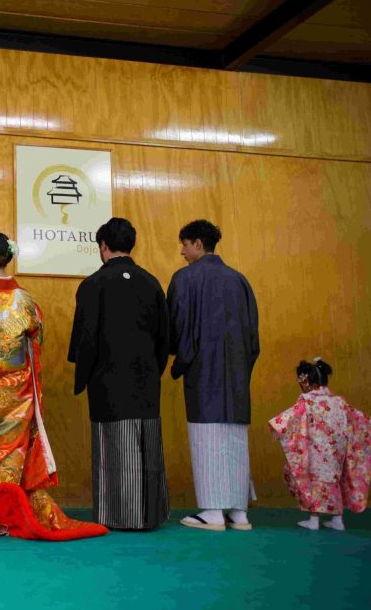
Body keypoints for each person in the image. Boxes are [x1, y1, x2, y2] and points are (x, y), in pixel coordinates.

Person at [0, 229, 107, 541]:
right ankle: (11, 511)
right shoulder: (25, 302)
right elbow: (36, 344)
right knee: (13, 454)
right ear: (9, 258)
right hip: (18, 392)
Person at [68, 217, 170, 530]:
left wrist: (81, 377)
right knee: (147, 444)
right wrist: (154, 369)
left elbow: (85, 339)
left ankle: (119, 514)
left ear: (103, 246)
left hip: (108, 379)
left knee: (114, 445)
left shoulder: (93, 285)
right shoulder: (151, 282)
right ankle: (150, 513)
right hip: (146, 378)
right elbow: (165, 338)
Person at [167, 219, 259, 531]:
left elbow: (176, 326)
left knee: (207, 438)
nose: (182, 251)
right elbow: (253, 338)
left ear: (196, 244)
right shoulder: (239, 280)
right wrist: (241, 369)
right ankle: (239, 512)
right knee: (234, 438)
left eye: (184, 244)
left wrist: (179, 361)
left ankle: (212, 512)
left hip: (203, 372)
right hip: (235, 374)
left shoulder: (185, 279)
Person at [269, 358, 371, 531]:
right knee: (333, 479)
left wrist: (276, 425)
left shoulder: (307, 401)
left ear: (308, 380)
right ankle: (337, 519)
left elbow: (291, 416)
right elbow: (356, 418)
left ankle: (314, 519)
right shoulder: (339, 402)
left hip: (315, 448)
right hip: (336, 451)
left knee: (314, 479)